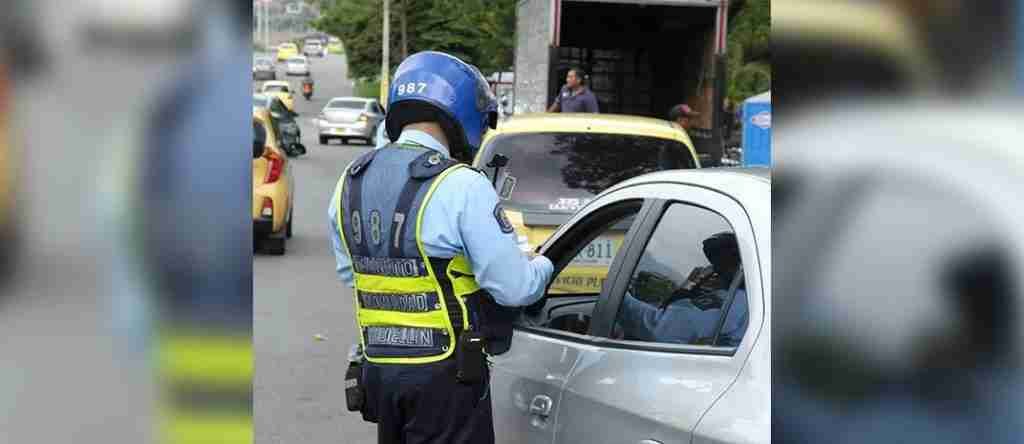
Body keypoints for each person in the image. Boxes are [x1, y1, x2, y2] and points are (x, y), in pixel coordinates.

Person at [328, 51, 555, 444]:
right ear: (463, 111)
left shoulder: (352, 179)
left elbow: (353, 274)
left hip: (379, 373)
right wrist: (545, 264)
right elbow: (515, 288)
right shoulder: (461, 184)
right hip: (446, 378)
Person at [617, 232, 748, 346]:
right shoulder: (748, 302)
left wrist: (618, 296)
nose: (713, 270)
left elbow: (658, 329)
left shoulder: (724, 303)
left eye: (718, 266)